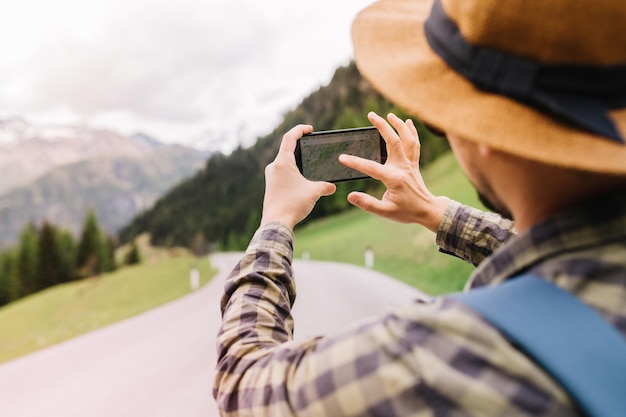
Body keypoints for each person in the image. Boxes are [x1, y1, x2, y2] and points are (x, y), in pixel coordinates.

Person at [213, 0, 626, 415]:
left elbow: (243, 384)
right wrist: (433, 210)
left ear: (488, 132)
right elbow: (562, 257)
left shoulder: (439, 357)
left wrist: (275, 222)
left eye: (440, 118)